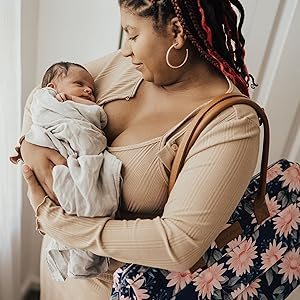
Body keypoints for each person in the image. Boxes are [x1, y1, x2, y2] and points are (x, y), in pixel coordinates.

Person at [17, 0, 260, 299]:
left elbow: (179, 244)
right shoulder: (127, 67)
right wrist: (29, 146)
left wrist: (59, 223)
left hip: (114, 289)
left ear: (177, 32)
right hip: (60, 266)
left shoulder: (232, 124)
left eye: (132, 35)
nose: (125, 50)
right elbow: (43, 95)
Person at [23, 62, 122, 282]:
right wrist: (26, 145)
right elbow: (38, 108)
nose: (88, 90)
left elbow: (96, 119)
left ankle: (81, 253)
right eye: (79, 84)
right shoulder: (46, 99)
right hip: (59, 142)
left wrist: (74, 98)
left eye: (92, 90)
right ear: (52, 87)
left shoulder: (76, 102)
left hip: (78, 151)